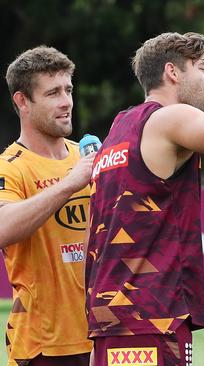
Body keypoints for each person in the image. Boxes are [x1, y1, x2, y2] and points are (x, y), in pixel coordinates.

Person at [85, 32, 204, 366]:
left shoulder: (121, 126)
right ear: (172, 72)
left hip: (116, 317)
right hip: (149, 316)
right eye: (202, 68)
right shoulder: (166, 118)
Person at [0, 46, 94, 365]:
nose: (66, 101)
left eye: (68, 89)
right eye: (53, 92)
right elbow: (3, 228)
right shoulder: (10, 167)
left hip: (103, 334)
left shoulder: (87, 156)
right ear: (22, 101)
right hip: (43, 346)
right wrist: (69, 183)